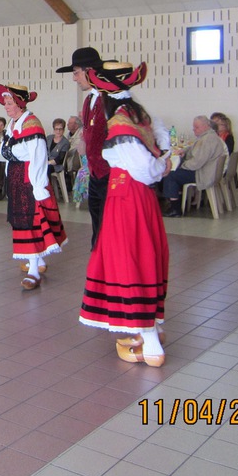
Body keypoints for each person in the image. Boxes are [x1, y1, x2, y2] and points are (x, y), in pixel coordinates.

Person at [79, 61, 171, 368]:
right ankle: (151, 328)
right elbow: (160, 145)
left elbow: (145, 168)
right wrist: (164, 161)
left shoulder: (119, 121)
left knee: (130, 260)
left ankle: (150, 342)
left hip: (127, 196)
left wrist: (161, 166)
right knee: (144, 255)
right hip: (138, 196)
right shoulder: (138, 115)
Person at [0, 83, 66, 290]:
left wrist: (38, 185)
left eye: (9, 103)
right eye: (5, 103)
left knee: (30, 221)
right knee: (22, 220)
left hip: (29, 179)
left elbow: (38, 156)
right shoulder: (14, 123)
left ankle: (34, 270)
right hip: (17, 177)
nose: (6, 106)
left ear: (19, 103)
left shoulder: (32, 124)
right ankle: (37, 260)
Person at [56, 47, 108, 249]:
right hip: (95, 173)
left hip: (109, 174)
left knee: (108, 226)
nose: (74, 78)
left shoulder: (109, 99)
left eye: (76, 72)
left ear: (90, 71)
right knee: (97, 223)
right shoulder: (88, 101)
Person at [161, 115, 226, 217]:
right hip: (207, 172)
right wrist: (184, 151)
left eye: (197, 127)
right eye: (194, 127)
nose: (194, 129)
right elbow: (193, 148)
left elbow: (197, 162)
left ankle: (175, 208)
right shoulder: (208, 136)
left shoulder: (208, 139)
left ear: (206, 126)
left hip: (203, 174)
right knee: (176, 172)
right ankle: (177, 201)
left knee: (171, 174)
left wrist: (182, 165)